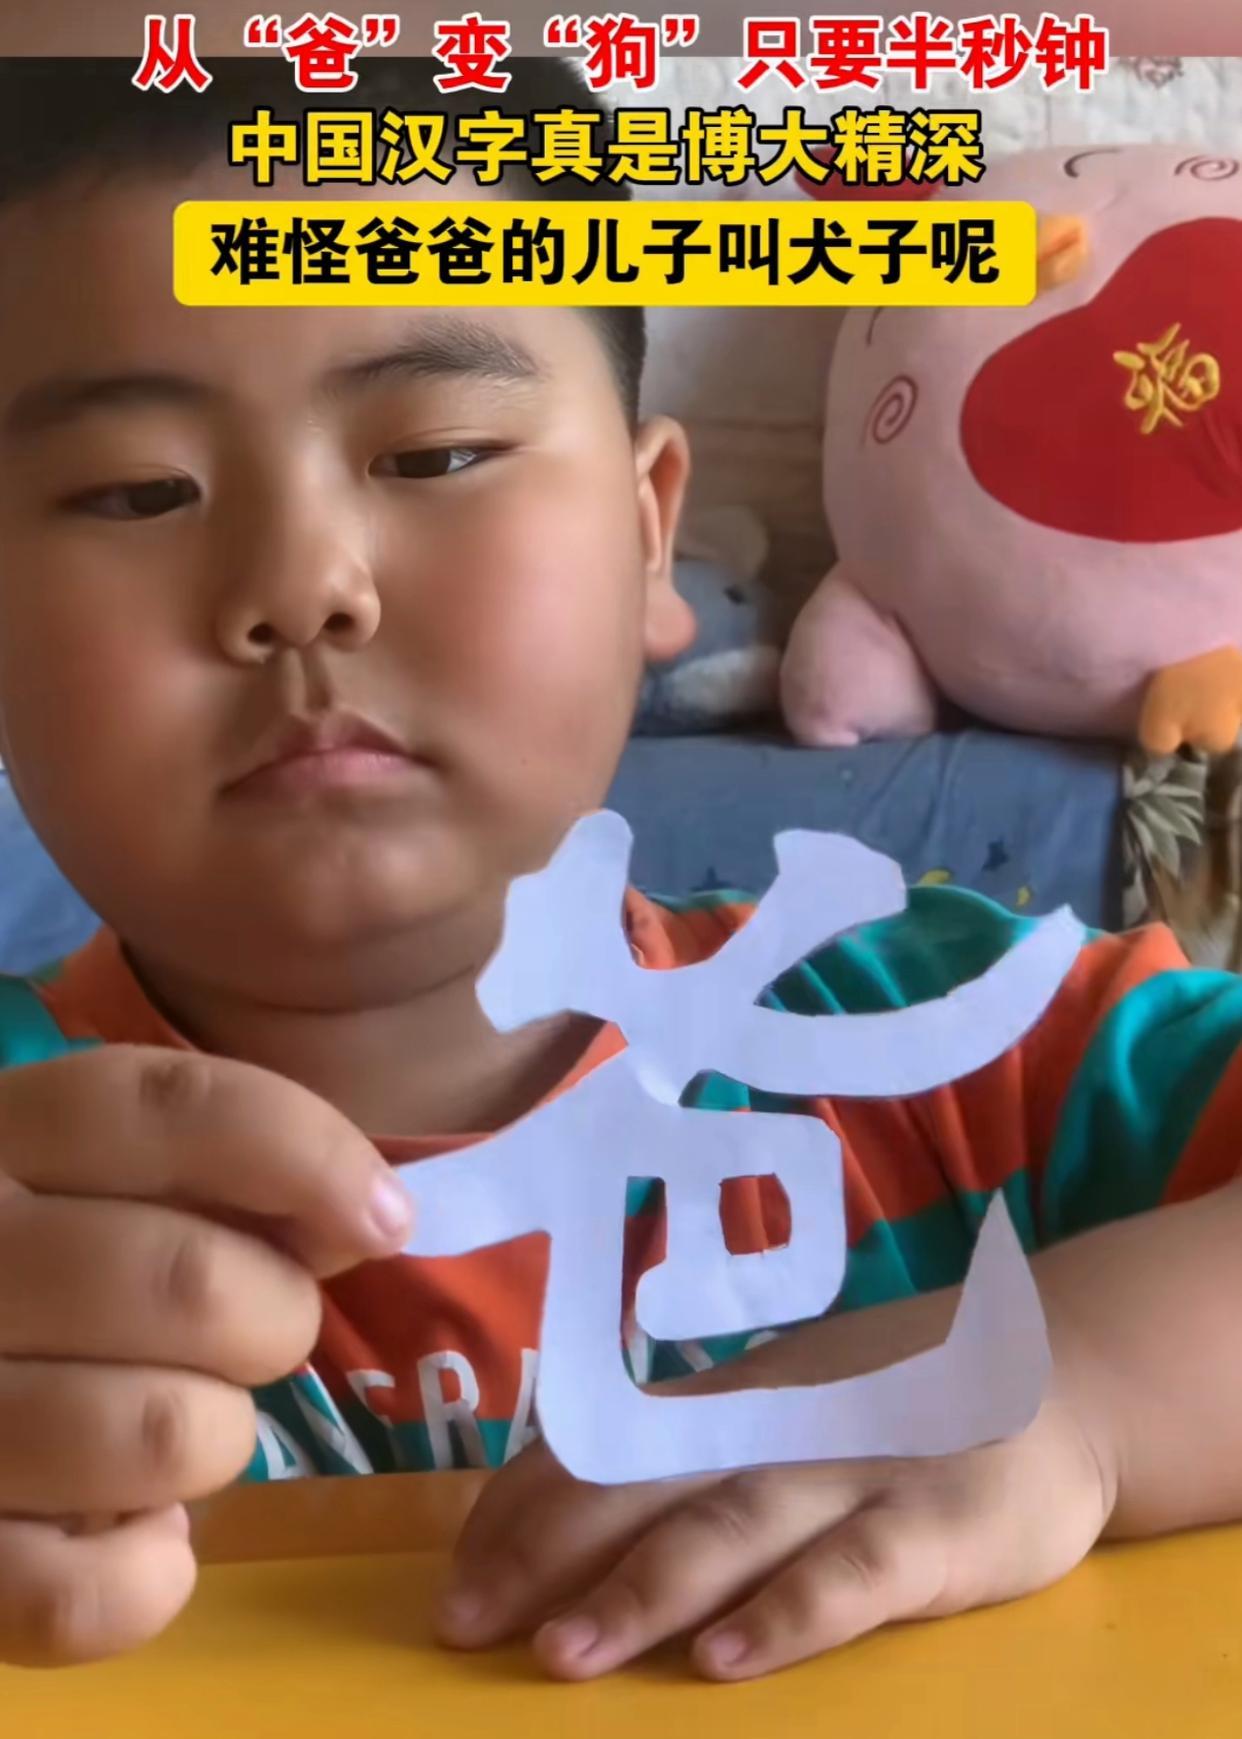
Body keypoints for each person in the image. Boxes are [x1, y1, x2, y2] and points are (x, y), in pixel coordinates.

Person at [1, 51, 1241, 1683]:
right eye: (135, 490)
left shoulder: (973, 1048)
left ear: (651, 531)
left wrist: (1077, 1392)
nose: (302, 586)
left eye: (434, 453)